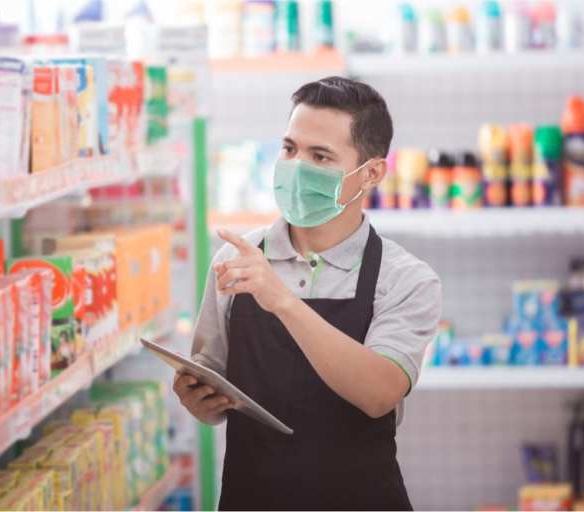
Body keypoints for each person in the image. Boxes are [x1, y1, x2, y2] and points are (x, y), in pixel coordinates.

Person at [173, 76, 442, 511]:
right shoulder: (236, 258)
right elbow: (213, 392)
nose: (296, 167)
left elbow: (378, 394)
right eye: (289, 148)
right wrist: (198, 399)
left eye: (320, 156)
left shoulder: (405, 279)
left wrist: (280, 299)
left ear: (371, 173)